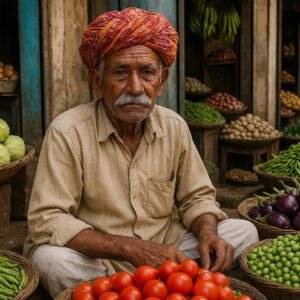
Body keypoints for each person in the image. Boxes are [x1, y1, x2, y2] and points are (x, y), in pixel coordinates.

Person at [24, 7, 259, 298]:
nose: (136, 88)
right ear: (98, 82)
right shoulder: (68, 131)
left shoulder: (174, 127)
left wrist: (207, 232)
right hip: (97, 256)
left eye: (147, 72)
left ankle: (153, 286)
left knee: (244, 232)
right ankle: (153, 285)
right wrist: (128, 247)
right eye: (120, 72)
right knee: (52, 261)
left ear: (161, 81)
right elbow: (48, 218)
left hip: (165, 247)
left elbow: (196, 197)